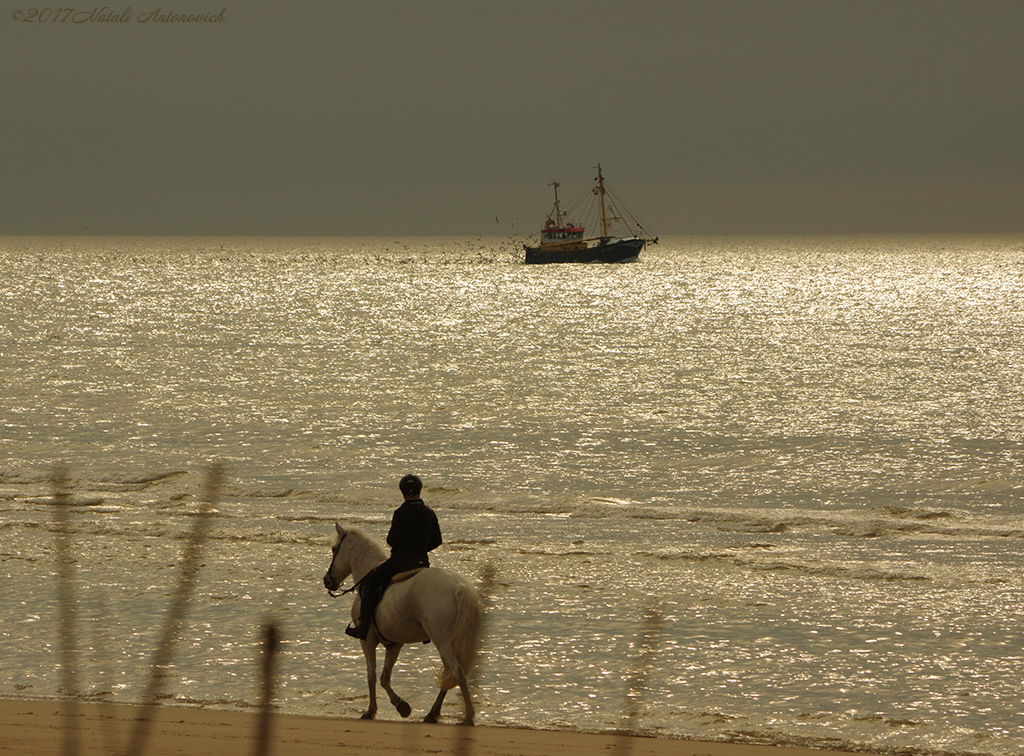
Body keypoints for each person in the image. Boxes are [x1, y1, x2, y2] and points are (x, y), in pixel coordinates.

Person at [345, 474, 442, 639]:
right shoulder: (429, 513)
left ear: (403, 493)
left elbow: (392, 541)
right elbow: (437, 540)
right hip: (422, 562)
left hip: (400, 563)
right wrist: (421, 549)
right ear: (419, 491)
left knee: (367, 584)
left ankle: (363, 627)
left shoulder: (400, 513)